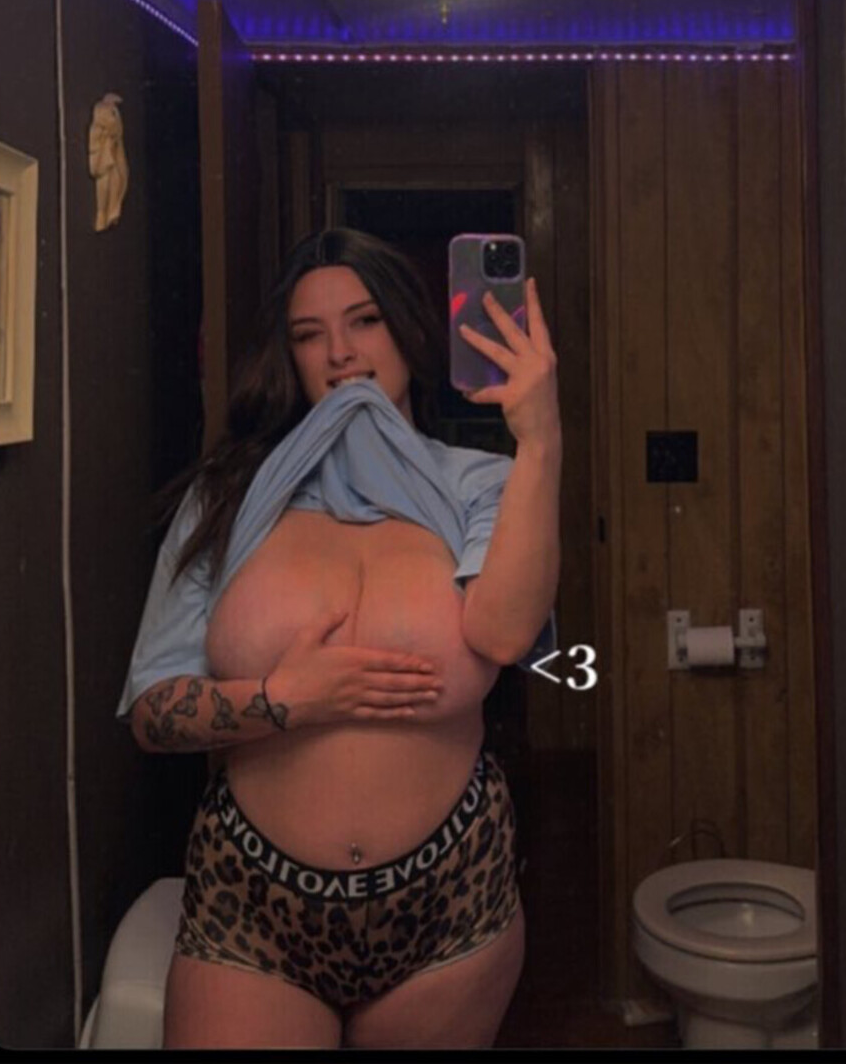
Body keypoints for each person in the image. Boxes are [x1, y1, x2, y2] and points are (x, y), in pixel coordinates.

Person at [117, 228, 561, 1050]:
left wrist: (540, 440)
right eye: (309, 333)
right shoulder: (227, 497)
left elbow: (505, 633)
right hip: (254, 911)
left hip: (450, 902)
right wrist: (282, 700)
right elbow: (151, 711)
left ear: (408, 330)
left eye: (364, 321)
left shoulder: (480, 482)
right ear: (288, 356)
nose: (340, 353)